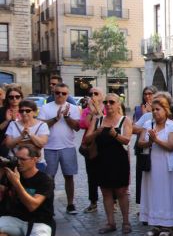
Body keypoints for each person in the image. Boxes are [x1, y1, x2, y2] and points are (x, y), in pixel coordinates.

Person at [83, 93, 133, 234]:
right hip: (102, 160)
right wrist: (97, 132)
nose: (108, 105)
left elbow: (127, 140)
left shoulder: (125, 120)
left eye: (111, 102)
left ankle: (126, 221)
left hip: (119, 161)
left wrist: (115, 135)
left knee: (121, 191)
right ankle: (110, 222)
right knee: (106, 192)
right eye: (106, 102)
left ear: (118, 104)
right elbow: (87, 138)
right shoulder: (98, 120)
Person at [0, 145, 55, 236]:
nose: (18, 163)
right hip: (17, 220)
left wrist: (17, 184)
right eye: (16, 159)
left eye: (23, 159)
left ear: (35, 159)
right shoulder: (12, 173)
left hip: (39, 223)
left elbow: (32, 206)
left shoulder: (45, 179)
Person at [138, 96, 173, 236]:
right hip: (151, 163)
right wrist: (149, 142)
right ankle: (155, 224)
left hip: (166, 164)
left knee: (165, 192)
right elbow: (140, 143)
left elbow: (171, 146)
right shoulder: (148, 124)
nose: (155, 112)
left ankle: (167, 225)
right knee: (153, 192)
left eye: (158, 109)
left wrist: (156, 140)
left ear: (165, 110)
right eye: (154, 109)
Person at [38, 82, 81, 215]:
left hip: (68, 146)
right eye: (57, 93)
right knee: (49, 177)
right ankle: (49, 204)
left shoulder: (73, 108)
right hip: (50, 147)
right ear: (54, 93)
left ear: (67, 95)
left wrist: (67, 117)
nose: (60, 95)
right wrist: (56, 118)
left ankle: (70, 204)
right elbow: (41, 126)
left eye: (63, 93)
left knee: (69, 176)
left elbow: (77, 127)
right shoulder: (46, 108)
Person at [78, 87, 104, 213]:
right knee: (92, 175)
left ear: (102, 96)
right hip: (91, 146)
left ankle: (113, 201)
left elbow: (104, 124)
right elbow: (84, 125)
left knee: (107, 173)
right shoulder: (86, 110)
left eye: (96, 93)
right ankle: (93, 202)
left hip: (105, 146)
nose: (93, 96)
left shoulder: (108, 107)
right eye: (91, 94)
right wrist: (91, 112)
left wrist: (98, 111)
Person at [3, 100, 49, 170]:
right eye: (21, 111)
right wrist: (21, 136)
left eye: (27, 111)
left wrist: (30, 134)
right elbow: (8, 144)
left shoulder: (42, 125)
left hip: (36, 162)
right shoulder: (13, 124)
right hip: (16, 161)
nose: (24, 113)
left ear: (34, 112)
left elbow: (42, 144)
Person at [0, 86, 24, 158]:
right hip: (4, 147)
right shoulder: (1, 111)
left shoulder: (26, 110)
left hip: (23, 146)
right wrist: (7, 121)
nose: (14, 99)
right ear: (7, 98)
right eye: (11, 97)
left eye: (17, 97)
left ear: (21, 97)